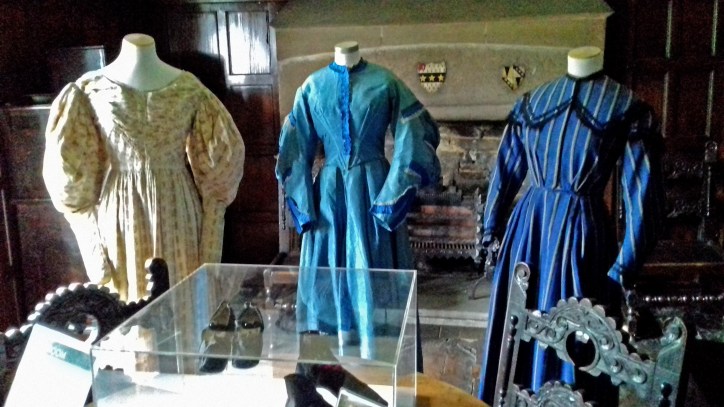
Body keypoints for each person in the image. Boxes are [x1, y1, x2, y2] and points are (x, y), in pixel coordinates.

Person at [477, 46, 664, 405]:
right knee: (546, 327)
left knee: (567, 330)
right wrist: (624, 266)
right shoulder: (620, 104)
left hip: (544, 232)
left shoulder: (545, 103)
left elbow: (503, 175)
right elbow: (645, 202)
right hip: (567, 233)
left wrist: (492, 230)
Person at [43, 33, 245, 301]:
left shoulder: (190, 89)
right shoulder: (89, 91)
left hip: (178, 211)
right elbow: (71, 178)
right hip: (121, 217)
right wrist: (93, 247)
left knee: (182, 300)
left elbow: (219, 170)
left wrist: (210, 244)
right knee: (128, 304)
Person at [275, 41, 441, 359]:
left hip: (375, 194)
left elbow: (414, 129)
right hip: (329, 200)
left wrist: (393, 196)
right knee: (328, 277)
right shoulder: (311, 87)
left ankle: (380, 363)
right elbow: (294, 149)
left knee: (377, 275)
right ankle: (328, 368)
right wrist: (304, 206)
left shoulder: (385, 81)